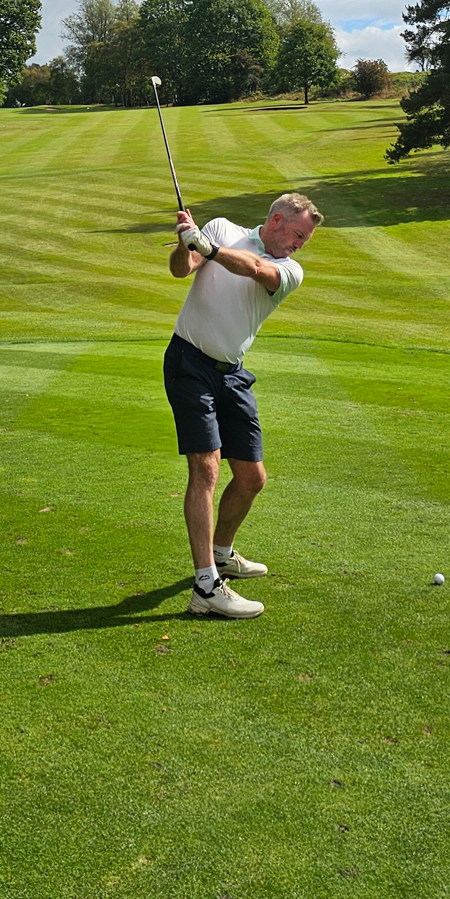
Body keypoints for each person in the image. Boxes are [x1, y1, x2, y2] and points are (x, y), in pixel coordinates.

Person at [163, 191, 322, 619]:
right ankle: (206, 587)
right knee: (206, 467)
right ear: (275, 220)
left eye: (304, 239)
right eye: (299, 234)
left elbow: (254, 268)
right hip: (189, 360)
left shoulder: (290, 270)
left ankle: (221, 552)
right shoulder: (221, 228)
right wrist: (186, 242)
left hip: (232, 371)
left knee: (252, 477)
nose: (299, 244)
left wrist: (208, 248)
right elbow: (183, 270)